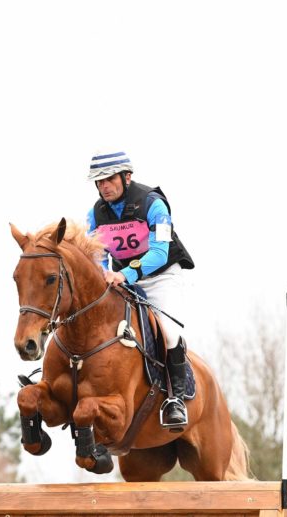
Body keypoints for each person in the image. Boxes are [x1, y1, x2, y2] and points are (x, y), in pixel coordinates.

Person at [85, 149, 195, 431]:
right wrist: (102, 275)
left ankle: (176, 399)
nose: (104, 187)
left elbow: (160, 252)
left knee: (169, 331)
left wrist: (125, 274)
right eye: (99, 182)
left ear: (126, 176)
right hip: (122, 279)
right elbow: (97, 254)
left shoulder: (154, 204)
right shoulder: (95, 214)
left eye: (109, 179)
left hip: (161, 276)